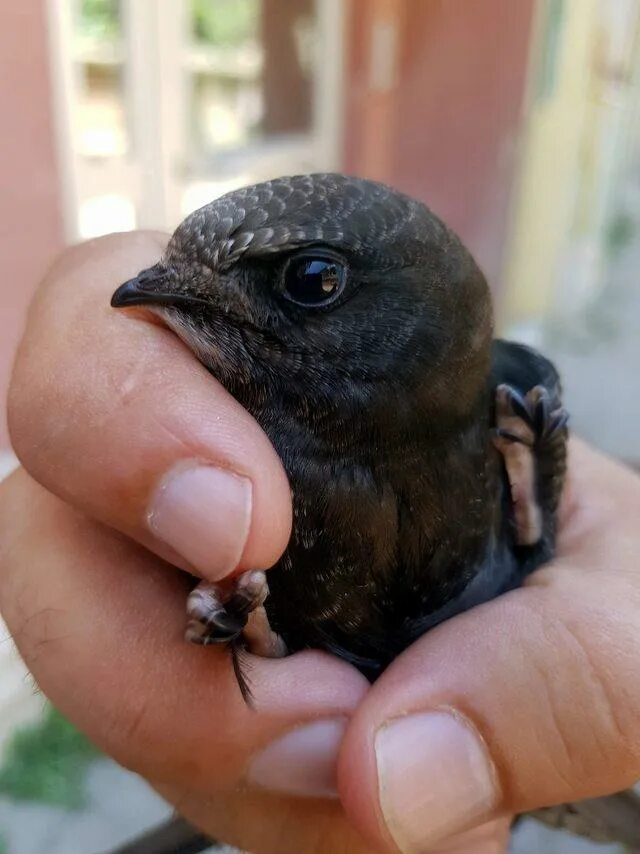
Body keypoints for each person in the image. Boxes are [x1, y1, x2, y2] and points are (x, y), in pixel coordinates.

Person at [1, 232, 639, 854]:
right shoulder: (231, 435)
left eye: (311, 282)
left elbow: (539, 548)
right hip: (330, 736)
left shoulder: (502, 396)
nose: (160, 289)